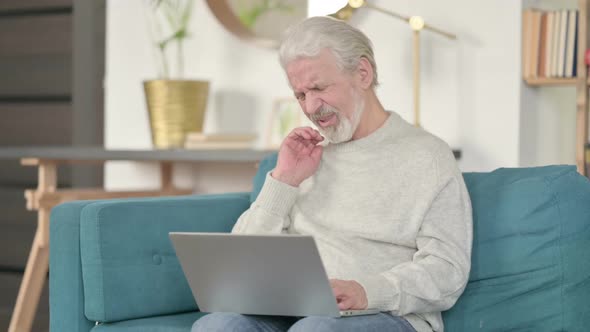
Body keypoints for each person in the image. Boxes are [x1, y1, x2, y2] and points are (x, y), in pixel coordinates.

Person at [192, 16, 472, 332]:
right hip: (292, 313)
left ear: (363, 74)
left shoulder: (427, 156)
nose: (311, 107)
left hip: (384, 314)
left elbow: (448, 270)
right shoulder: (304, 156)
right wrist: (284, 180)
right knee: (217, 326)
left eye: (319, 88)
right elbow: (239, 268)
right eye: (300, 95)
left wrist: (367, 291)